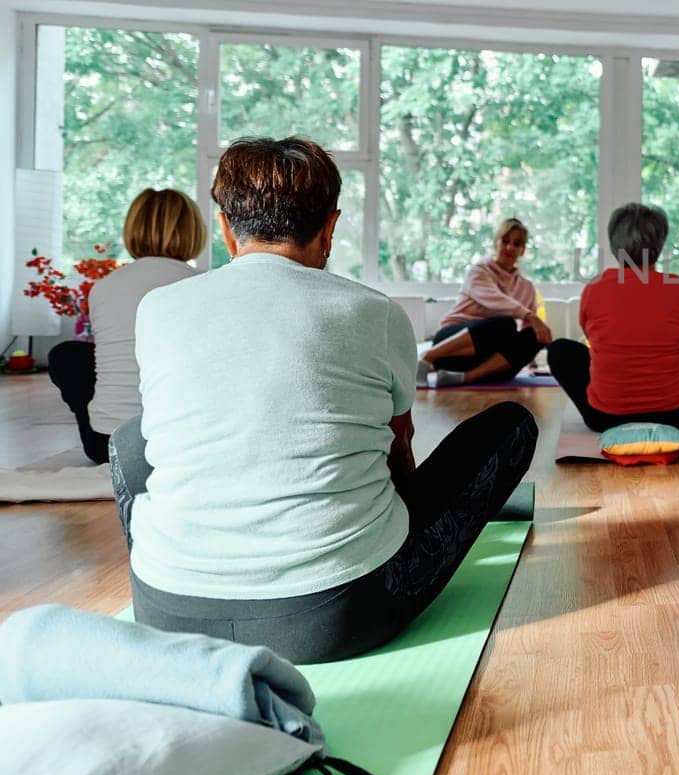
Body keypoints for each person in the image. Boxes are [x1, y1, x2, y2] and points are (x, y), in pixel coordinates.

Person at [110, 137, 536, 664]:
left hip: (167, 611)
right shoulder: (374, 313)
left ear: (224, 227)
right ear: (330, 228)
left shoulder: (157, 308)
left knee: (129, 440)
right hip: (336, 617)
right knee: (512, 425)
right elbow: (399, 458)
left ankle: (186, 567)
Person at [46, 189, 206, 464]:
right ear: (193, 231)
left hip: (107, 444)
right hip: (184, 442)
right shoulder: (205, 285)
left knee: (67, 355)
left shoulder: (103, 288)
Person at [548, 202, 679, 432]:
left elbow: (591, 337)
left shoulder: (594, 288)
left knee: (560, 350)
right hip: (677, 416)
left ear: (614, 244)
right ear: (659, 244)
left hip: (605, 418)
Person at [419, 217, 552, 387]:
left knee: (533, 335)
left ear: (523, 250)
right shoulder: (479, 272)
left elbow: (528, 330)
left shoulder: (527, 287)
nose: (510, 247)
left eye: (517, 244)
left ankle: (467, 377)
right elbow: (496, 301)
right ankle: (427, 356)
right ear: (495, 243)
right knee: (506, 325)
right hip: (450, 345)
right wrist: (530, 315)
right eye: (505, 241)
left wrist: (533, 348)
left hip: (484, 359)